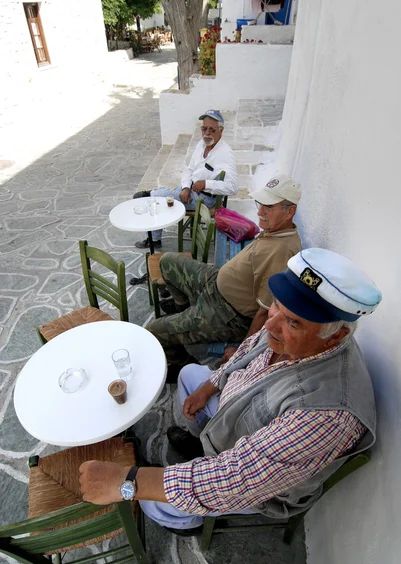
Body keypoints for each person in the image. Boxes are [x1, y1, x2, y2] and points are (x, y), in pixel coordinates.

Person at [79, 248, 382, 533]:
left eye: (293, 322)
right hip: (238, 411)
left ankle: (190, 521)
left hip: (258, 481)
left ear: (336, 336)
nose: (272, 325)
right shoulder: (292, 331)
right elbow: (247, 351)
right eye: (277, 304)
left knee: (152, 501)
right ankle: (202, 444)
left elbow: (235, 478)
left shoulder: (326, 415)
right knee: (189, 376)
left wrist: (129, 480)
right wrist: (209, 387)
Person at [146, 173, 302, 381]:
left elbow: (264, 313)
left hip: (225, 313)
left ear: (289, 211)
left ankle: (181, 365)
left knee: (155, 330)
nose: (260, 212)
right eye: (260, 203)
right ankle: (183, 313)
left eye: (269, 207)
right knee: (167, 262)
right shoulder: (275, 231)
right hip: (215, 282)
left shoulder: (281, 251)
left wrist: (240, 352)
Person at [133, 109, 238, 249]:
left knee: (156, 199)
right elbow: (189, 169)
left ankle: (151, 203)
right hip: (191, 191)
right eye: (204, 129)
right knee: (161, 200)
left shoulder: (225, 154)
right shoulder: (202, 144)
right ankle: (154, 236)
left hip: (204, 199)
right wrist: (186, 188)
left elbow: (232, 187)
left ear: (221, 130)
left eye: (212, 130)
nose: (207, 133)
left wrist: (206, 183)